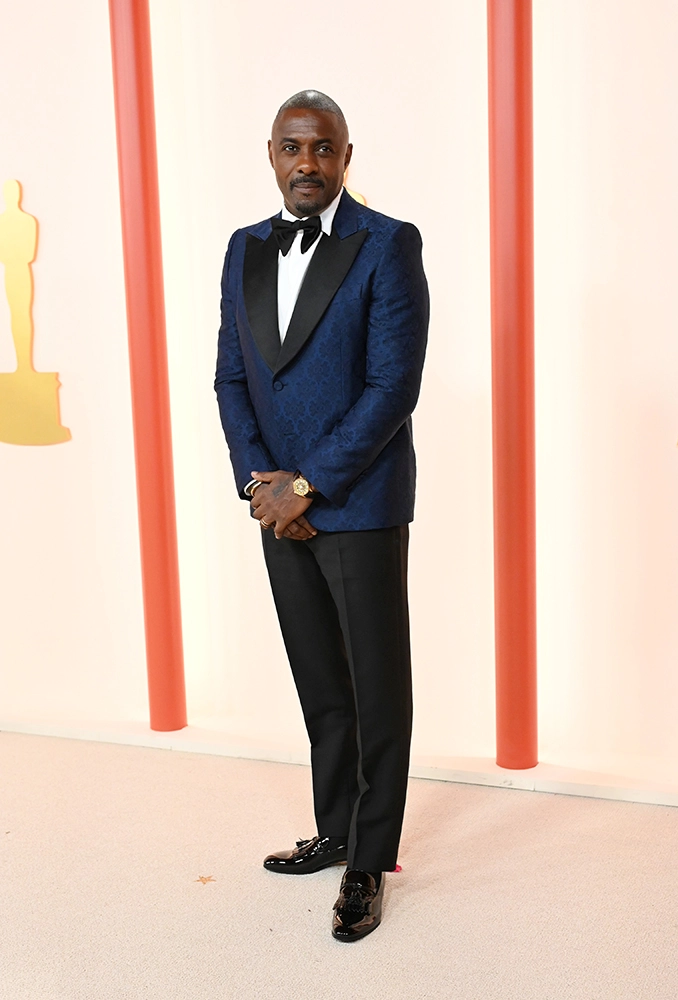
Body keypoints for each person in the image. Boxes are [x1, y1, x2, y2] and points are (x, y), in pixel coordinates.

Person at [214, 90, 429, 941]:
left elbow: (392, 388)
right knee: (321, 685)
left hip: (359, 502)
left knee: (377, 690)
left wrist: (307, 485)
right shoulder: (243, 247)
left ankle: (370, 861)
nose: (308, 162)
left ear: (346, 156)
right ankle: (336, 828)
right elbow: (232, 376)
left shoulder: (388, 243)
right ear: (272, 153)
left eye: (324, 148)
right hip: (277, 507)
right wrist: (261, 487)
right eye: (293, 147)